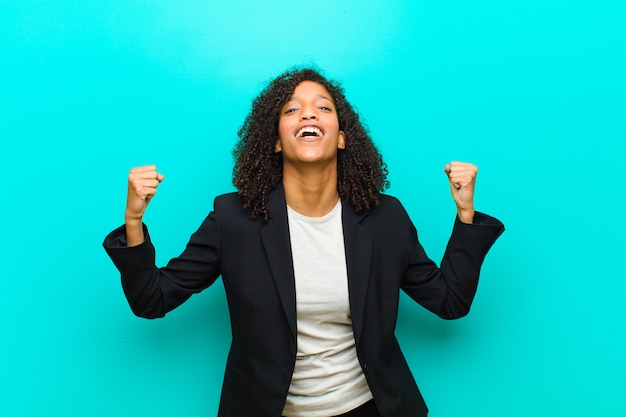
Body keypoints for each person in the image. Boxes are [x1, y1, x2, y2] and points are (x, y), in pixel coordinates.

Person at [103, 67, 504, 417]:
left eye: (323, 107)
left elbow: (449, 302)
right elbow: (151, 300)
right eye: (292, 109)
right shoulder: (233, 220)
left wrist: (465, 214)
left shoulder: (386, 219)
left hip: (371, 408)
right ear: (276, 141)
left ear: (343, 139)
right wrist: (133, 220)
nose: (308, 112)